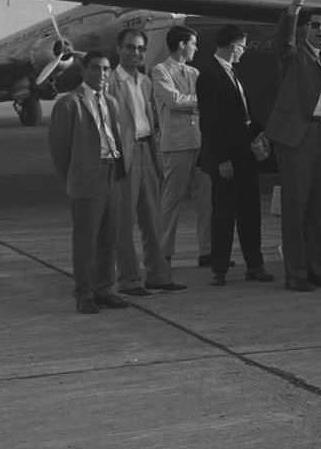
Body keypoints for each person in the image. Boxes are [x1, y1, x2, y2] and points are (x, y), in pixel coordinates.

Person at [264, 0, 321, 291]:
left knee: (316, 209)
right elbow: (283, 41)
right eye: (315, 26)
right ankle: (295, 274)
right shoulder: (296, 55)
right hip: (299, 137)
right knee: (295, 208)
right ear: (307, 28)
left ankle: (316, 268)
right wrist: (295, 7)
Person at [48, 51, 131, 313]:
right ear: (83, 71)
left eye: (106, 69)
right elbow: (60, 149)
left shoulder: (111, 101)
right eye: (96, 68)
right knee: (86, 239)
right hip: (87, 176)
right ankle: (84, 293)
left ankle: (105, 288)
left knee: (109, 236)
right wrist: (74, 176)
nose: (102, 74)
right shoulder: (69, 104)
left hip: (111, 173)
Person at [197, 25, 273, 286]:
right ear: (232, 45)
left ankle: (255, 264)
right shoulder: (209, 76)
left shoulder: (234, 74)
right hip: (228, 157)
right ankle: (219, 268)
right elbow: (210, 123)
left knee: (250, 213)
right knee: (224, 214)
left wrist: (260, 135)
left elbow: (245, 116)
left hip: (246, 156)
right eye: (242, 46)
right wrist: (221, 159)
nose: (243, 52)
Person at [108, 27, 182, 294]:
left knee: (153, 219)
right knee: (124, 222)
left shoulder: (147, 82)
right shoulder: (110, 82)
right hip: (123, 156)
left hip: (147, 152)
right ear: (119, 49)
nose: (135, 53)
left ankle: (158, 276)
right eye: (130, 47)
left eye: (140, 48)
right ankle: (128, 279)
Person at [151, 24, 212, 267]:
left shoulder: (195, 73)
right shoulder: (160, 71)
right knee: (171, 199)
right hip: (176, 144)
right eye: (193, 43)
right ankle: (163, 252)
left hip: (200, 141)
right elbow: (173, 100)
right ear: (182, 44)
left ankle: (207, 251)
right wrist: (202, 101)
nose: (196, 48)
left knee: (207, 199)